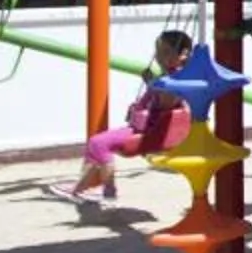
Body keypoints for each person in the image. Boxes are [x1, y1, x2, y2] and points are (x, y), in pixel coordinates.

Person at [58, 30, 195, 205]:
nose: (159, 57)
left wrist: (154, 84)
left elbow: (167, 102)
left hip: (147, 134)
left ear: (183, 55)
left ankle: (108, 191)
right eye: (158, 51)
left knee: (98, 143)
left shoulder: (175, 80)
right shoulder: (169, 77)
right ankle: (82, 187)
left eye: (166, 52)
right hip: (143, 128)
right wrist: (152, 84)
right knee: (95, 147)